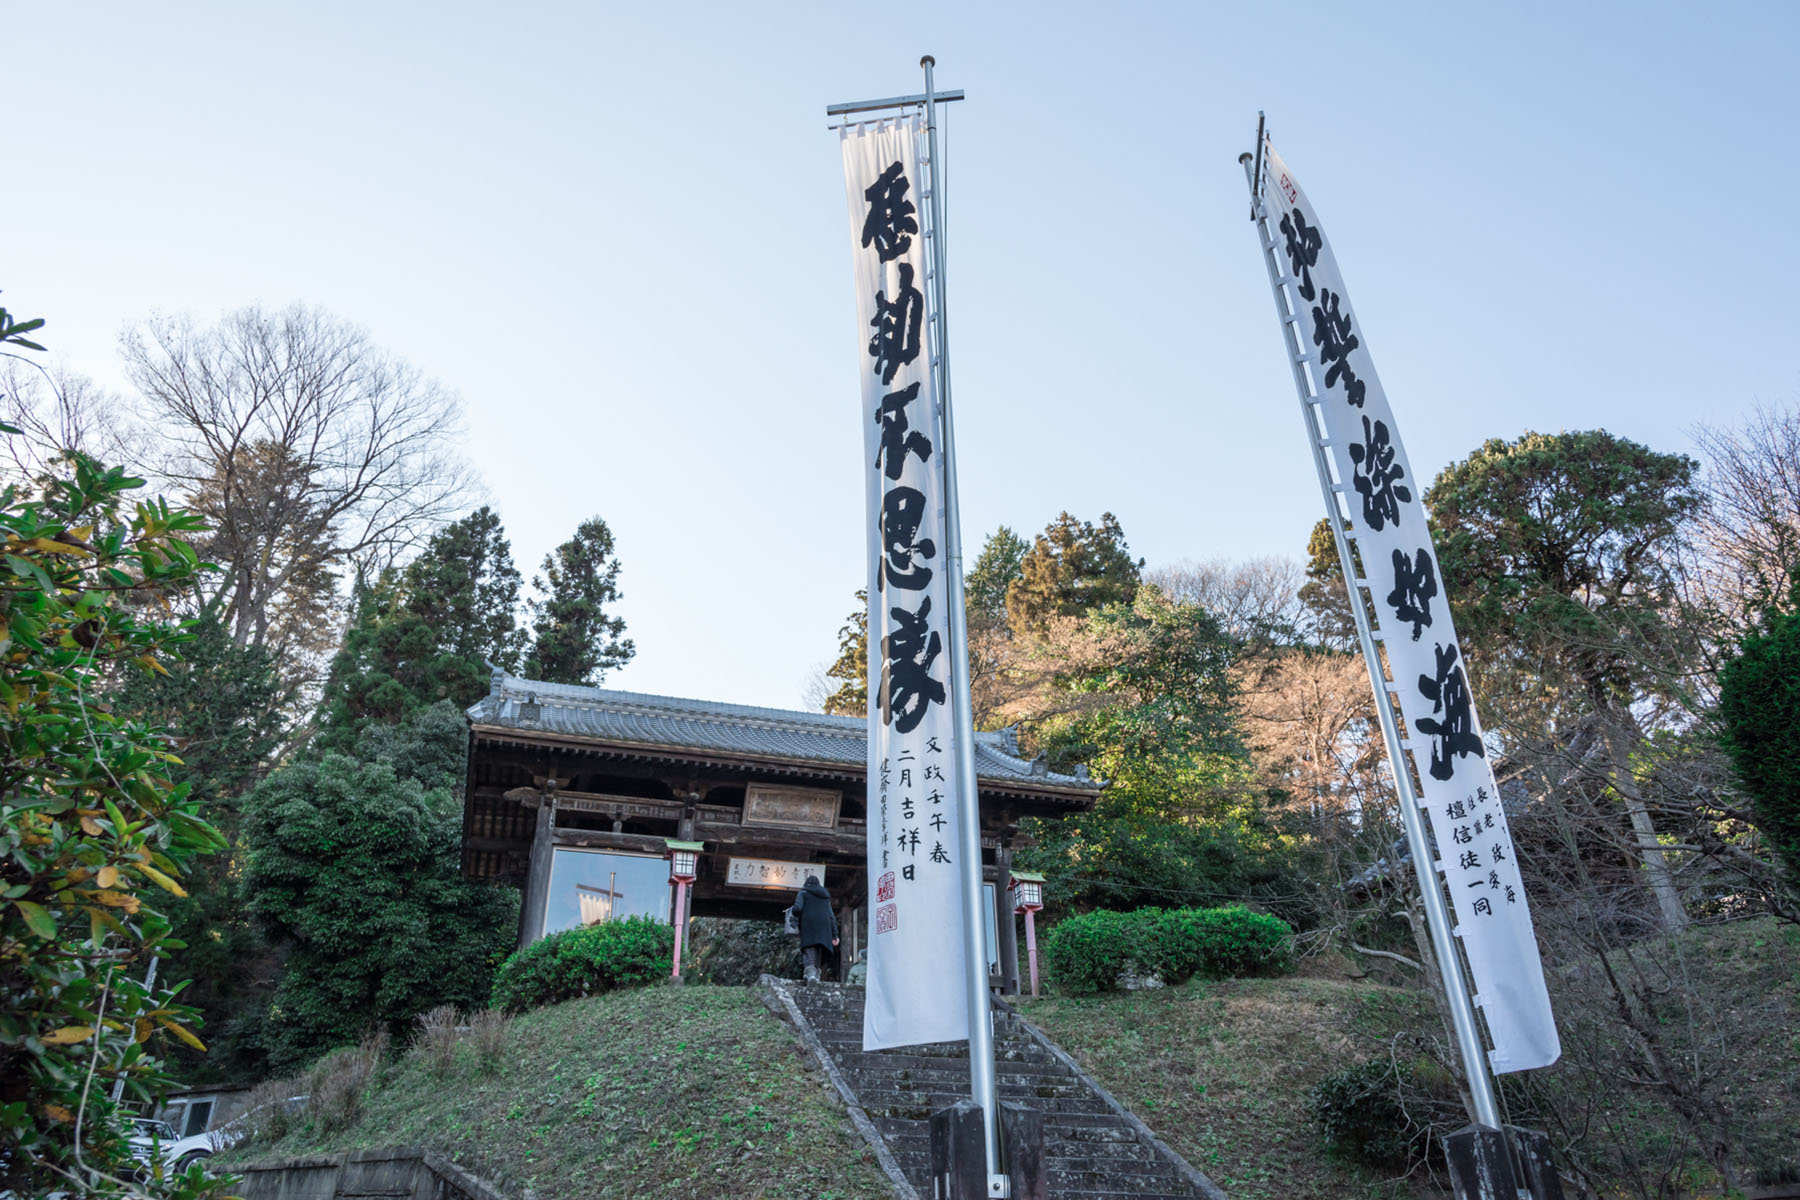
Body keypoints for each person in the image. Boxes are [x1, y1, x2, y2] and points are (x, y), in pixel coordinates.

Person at [791, 874, 838, 983]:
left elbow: (798, 908)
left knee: (809, 949)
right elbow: (832, 917)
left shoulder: (803, 893)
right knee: (818, 951)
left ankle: (811, 975)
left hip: (809, 926)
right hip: (824, 929)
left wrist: (792, 911)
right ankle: (816, 975)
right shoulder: (825, 897)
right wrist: (835, 935)